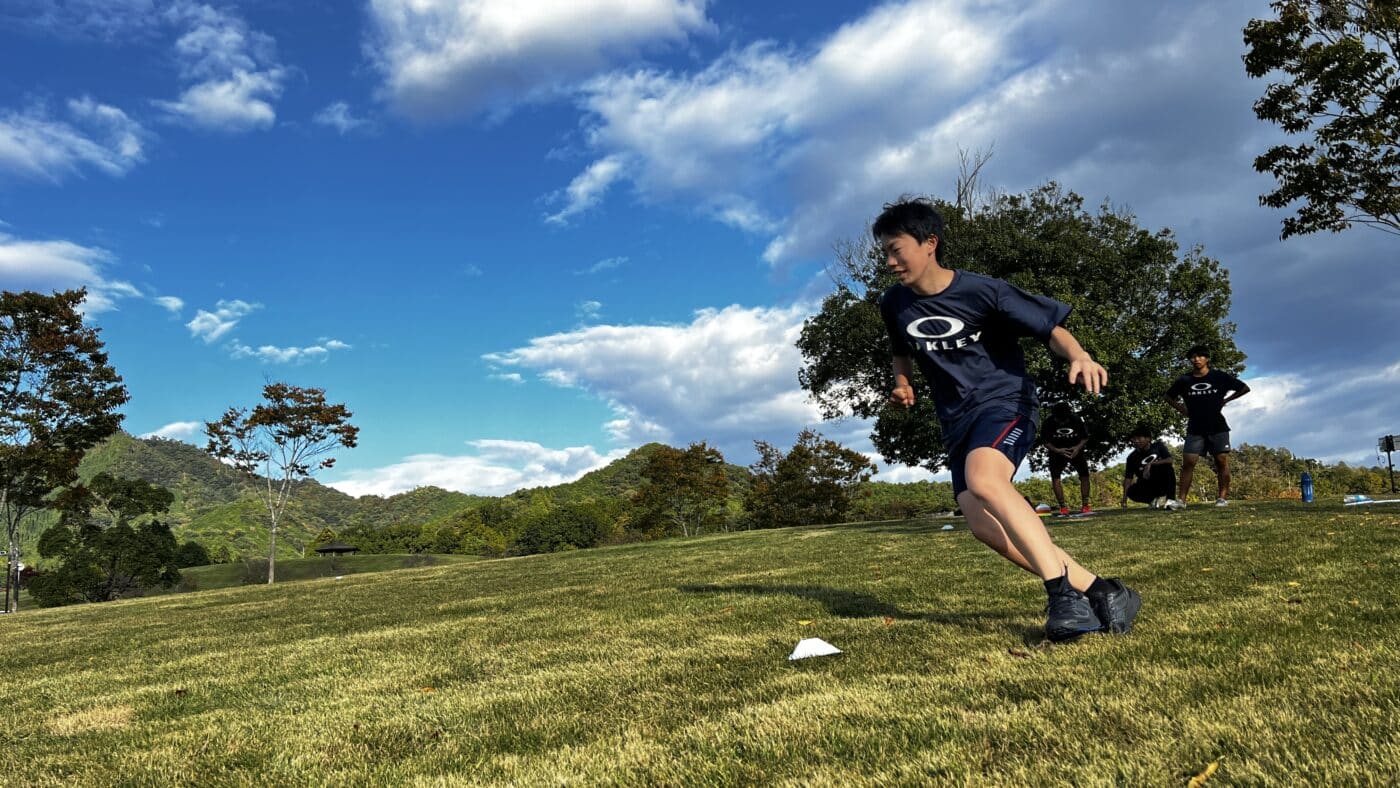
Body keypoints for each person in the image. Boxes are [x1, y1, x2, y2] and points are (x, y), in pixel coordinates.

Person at [875, 198, 1140, 641]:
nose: (889, 261)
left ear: (929, 244)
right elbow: (900, 350)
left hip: (1004, 403)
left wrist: (1080, 355)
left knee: (986, 480)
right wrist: (902, 383)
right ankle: (1103, 591)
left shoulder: (983, 291)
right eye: (884, 251)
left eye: (896, 249)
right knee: (983, 525)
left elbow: (1050, 329)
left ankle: (1062, 597)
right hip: (955, 420)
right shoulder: (895, 305)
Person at [1164, 344, 1250, 509]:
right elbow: (1168, 396)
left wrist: (1226, 400)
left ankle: (1222, 498)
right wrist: (1182, 409)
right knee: (1188, 462)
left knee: (1221, 461)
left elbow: (1244, 388)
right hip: (1195, 427)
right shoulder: (1185, 380)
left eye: (1200, 356)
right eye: (1193, 357)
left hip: (1218, 426)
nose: (1196, 359)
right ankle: (1181, 501)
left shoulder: (1219, 377)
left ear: (1207, 359)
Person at [1040, 401, 1092, 516]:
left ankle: (1085, 505)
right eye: (1059, 419)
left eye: (1064, 419)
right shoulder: (1048, 422)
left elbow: (1085, 437)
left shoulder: (1076, 420)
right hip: (1056, 452)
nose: (1062, 421)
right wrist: (1058, 450)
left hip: (1075, 450)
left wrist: (1077, 448)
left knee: (1084, 476)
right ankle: (1063, 507)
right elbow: (1045, 442)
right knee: (1056, 478)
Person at [1122, 424, 1177, 508]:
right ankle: (1152, 500)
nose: (1136, 441)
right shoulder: (1131, 457)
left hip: (1162, 482)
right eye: (1134, 439)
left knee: (1168, 468)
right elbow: (1128, 478)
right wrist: (1124, 499)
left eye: (1139, 438)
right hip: (1146, 485)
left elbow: (1170, 460)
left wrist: (1151, 464)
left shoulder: (1158, 446)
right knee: (1131, 491)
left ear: (1148, 439)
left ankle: (1170, 500)